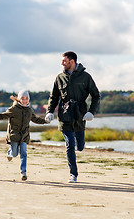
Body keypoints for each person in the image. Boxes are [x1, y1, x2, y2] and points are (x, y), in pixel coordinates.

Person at [45, 51, 100, 183]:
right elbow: (54, 97)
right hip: (64, 115)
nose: (62, 63)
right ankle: (73, 174)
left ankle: (78, 145)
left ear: (72, 61)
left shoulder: (86, 77)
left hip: (80, 115)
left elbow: (96, 95)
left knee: (79, 146)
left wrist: (91, 112)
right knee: (70, 144)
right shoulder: (59, 78)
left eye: (64, 61)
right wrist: (50, 111)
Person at [0, 90, 47, 181]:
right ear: (19, 99)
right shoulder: (14, 109)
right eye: (22, 98)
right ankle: (10, 152)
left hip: (24, 136)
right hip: (14, 135)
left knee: (23, 153)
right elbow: (4, 115)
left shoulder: (29, 110)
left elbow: (35, 119)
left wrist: (45, 121)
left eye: (26, 99)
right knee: (15, 154)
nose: (25, 100)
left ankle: (23, 172)